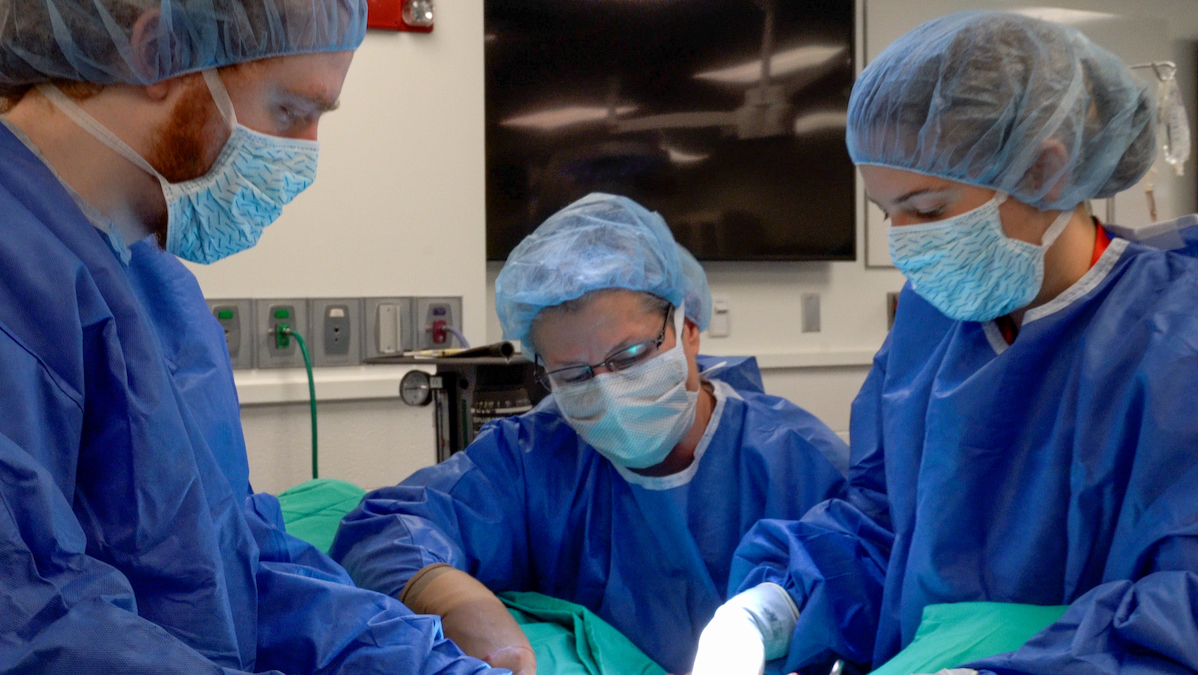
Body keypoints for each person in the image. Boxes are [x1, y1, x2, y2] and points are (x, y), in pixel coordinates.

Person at [0, 1, 503, 672]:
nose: (305, 155)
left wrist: (419, 660)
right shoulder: (19, 273)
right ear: (156, 53)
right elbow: (33, 623)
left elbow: (236, 557)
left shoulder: (153, 284)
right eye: (292, 111)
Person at [692, 11, 1198, 675]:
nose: (903, 239)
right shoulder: (930, 326)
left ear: (1046, 170)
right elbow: (880, 515)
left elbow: (1185, 596)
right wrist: (777, 601)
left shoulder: (1176, 338)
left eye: (927, 209)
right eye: (887, 212)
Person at [330, 192, 850, 675]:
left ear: (687, 329)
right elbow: (388, 530)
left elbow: (873, 573)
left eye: (630, 356)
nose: (607, 390)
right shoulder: (534, 458)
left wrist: (774, 616)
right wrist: (457, 602)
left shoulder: (797, 461)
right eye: (574, 374)